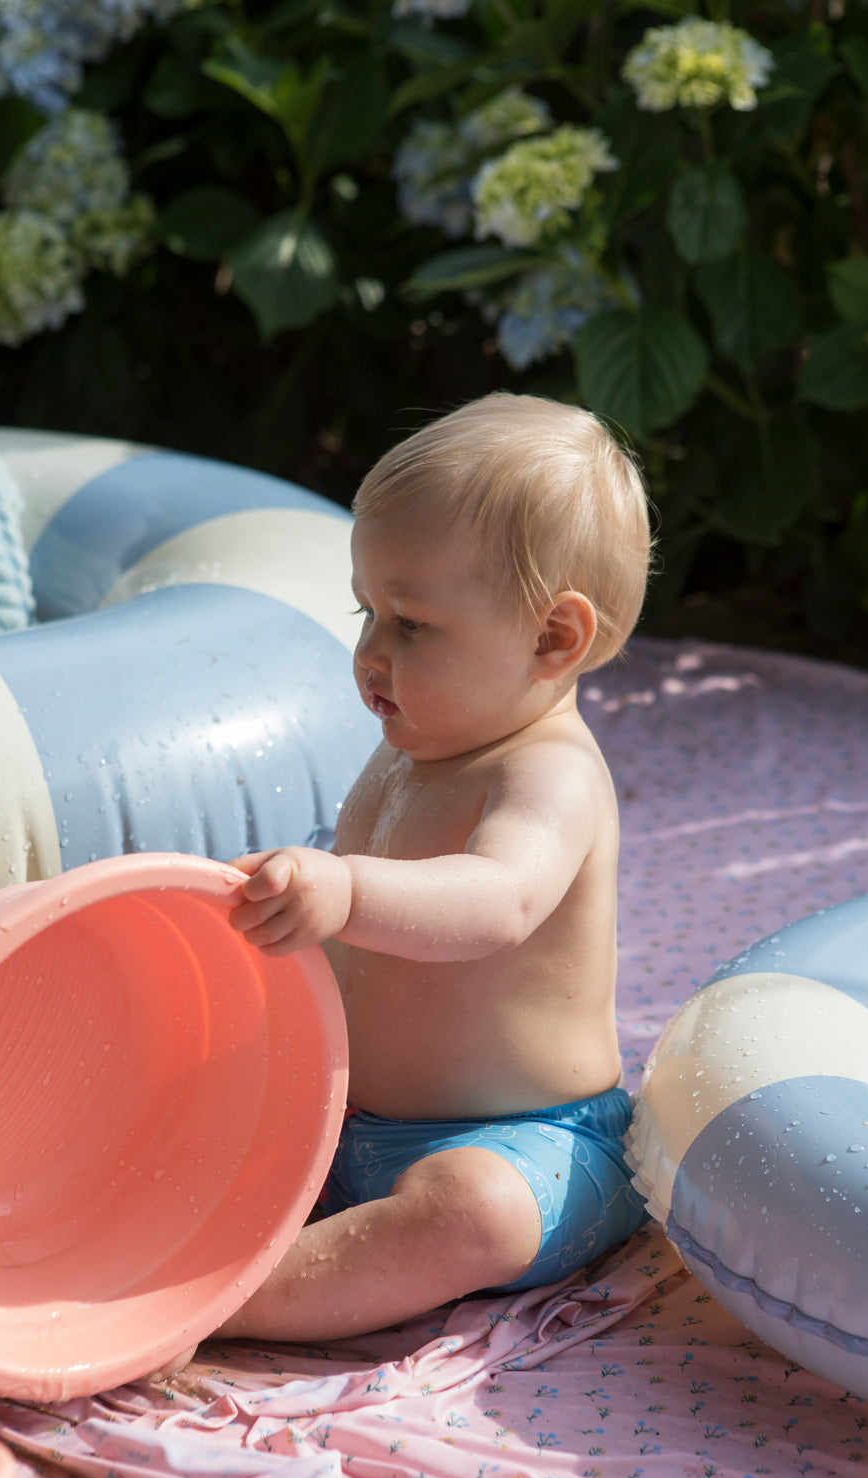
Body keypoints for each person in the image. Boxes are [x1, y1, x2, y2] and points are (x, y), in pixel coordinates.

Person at [218, 392, 653, 1345]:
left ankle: (230, 1302)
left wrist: (343, 892)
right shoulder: (414, 746)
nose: (370, 651)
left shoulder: (552, 774)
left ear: (553, 638)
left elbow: (495, 901)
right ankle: (188, 1243)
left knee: (469, 1214)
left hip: (526, 1143)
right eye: (366, 610)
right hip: (346, 1123)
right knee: (198, 1091)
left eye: (410, 624)